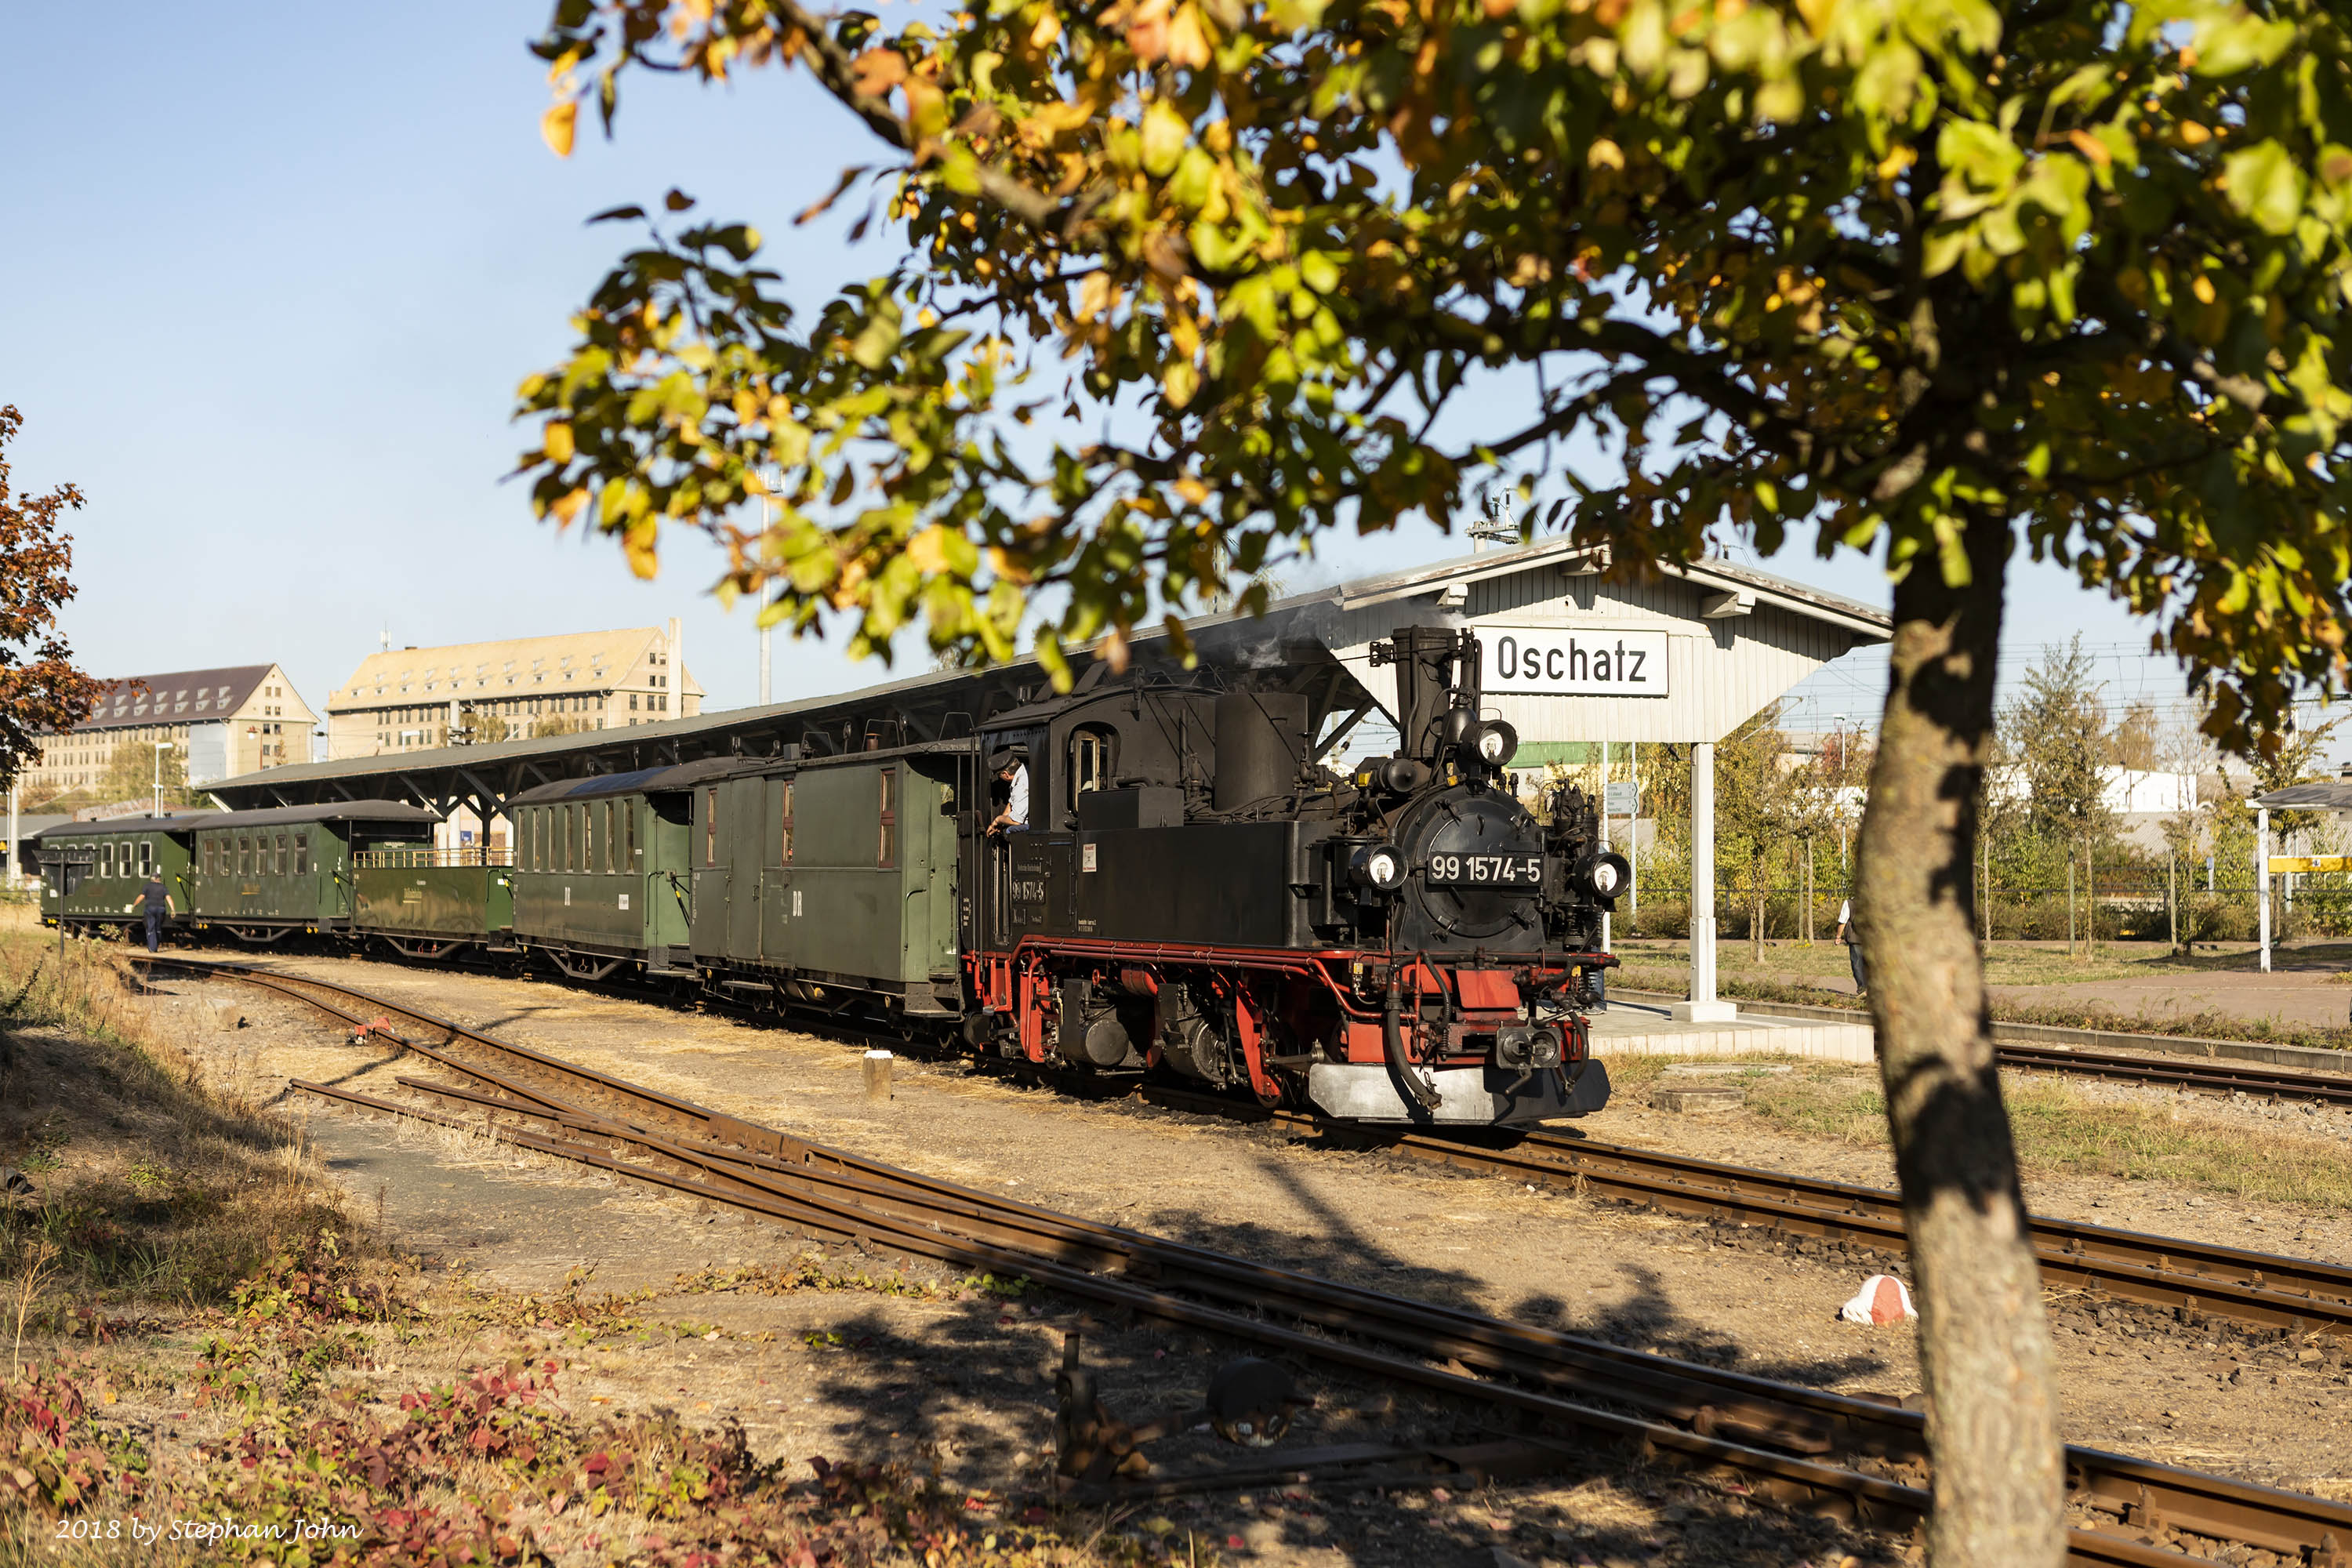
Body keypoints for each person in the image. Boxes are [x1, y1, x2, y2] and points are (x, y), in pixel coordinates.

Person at [988, 750, 1029, 836]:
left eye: (1000, 776)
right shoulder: (1024, 771)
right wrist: (1000, 824)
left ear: (1005, 774)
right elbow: (1012, 803)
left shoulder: (1021, 785)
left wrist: (998, 820)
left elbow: (1016, 821)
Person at [133, 867, 173, 954]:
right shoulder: (163, 887)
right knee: (158, 928)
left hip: (150, 909)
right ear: (159, 879)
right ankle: (156, 944)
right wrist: (173, 909)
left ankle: (152, 948)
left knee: (151, 927)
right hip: (161, 909)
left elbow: (141, 897)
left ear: (152, 879)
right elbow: (169, 898)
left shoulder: (147, 886)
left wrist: (134, 905)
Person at [1834, 894, 1866, 996]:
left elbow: (1842, 921)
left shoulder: (1849, 903)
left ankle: (1863, 988)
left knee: (1857, 964)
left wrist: (1838, 936)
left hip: (1855, 938)